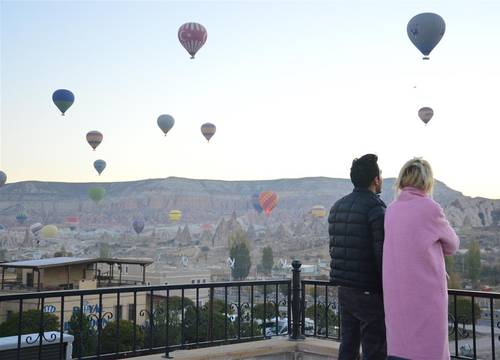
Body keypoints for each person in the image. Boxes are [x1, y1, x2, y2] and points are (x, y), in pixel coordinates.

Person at [383, 158, 459, 360]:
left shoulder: (391, 210)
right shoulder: (430, 208)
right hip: (425, 293)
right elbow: (453, 244)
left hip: (397, 293)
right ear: (426, 181)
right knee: (429, 347)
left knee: (402, 345)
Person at [329, 154, 387, 360]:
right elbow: (382, 256)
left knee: (348, 346)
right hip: (369, 292)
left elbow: (334, 249)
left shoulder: (337, 207)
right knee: (375, 350)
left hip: (345, 290)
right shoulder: (376, 209)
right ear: (375, 179)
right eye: (380, 174)